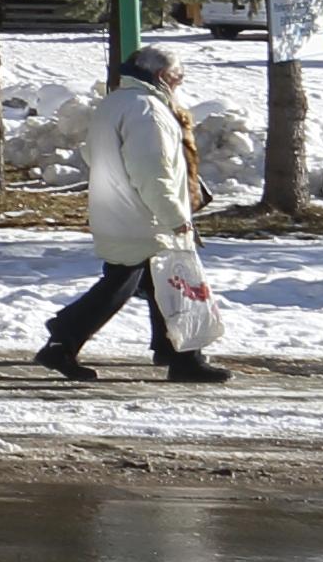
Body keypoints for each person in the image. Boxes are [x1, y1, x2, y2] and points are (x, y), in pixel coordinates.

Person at [40, 42, 223, 382]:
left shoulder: (115, 103)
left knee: (155, 283)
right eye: (179, 76)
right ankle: (64, 336)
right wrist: (175, 217)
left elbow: (94, 157)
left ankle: (181, 355)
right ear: (161, 76)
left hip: (117, 210)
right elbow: (152, 172)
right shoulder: (149, 112)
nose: (181, 83)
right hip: (144, 216)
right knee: (136, 284)